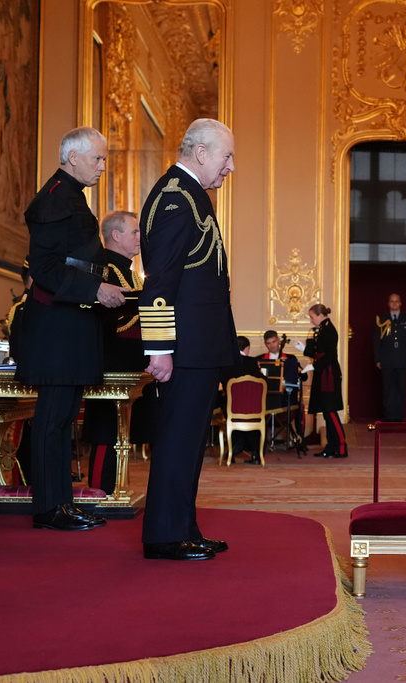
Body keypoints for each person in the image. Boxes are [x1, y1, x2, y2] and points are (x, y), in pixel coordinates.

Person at [15, 127, 127, 532]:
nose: (101, 166)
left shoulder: (68, 195)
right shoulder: (55, 198)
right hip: (56, 327)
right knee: (53, 420)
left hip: (70, 322)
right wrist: (96, 287)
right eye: (97, 158)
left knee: (64, 421)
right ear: (72, 156)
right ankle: (49, 509)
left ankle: (62, 503)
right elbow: (44, 269)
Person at [140, 118, 239, 561]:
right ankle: (164, 535)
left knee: (190, 442)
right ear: (201, 153)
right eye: (226, 156)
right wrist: (158, 348)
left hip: (199, 348)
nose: (230, 167)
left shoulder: (191, 197)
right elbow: (160, 279)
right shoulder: (176, 199)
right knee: (178, 440)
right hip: (183, 349)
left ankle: (183, 526)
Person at [83, 210, 144, 495]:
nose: (139, 237)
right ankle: (98, 493)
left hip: (128, 365)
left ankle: (114, 491)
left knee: (119, 433)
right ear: (116, 236)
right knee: (105, 433)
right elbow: (113, 321)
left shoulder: (131, 274)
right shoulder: (104, 270)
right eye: (134, 232)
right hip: (109, 363)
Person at [301, 304, 347, 458]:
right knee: (327, 413)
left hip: (329, 375)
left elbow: (329, 356)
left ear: (320, 315)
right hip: (324, 374)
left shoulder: (328, 330)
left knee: (330, 411)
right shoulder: (323, 329)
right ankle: (332, 446)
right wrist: (305, 349)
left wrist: (313, 366)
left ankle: (341, 447)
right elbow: (319, 352)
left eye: (312, 317)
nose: (311, 320)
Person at [220, 335, 265, 465]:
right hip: (253, 411)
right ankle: (256, 454)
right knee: (257, 415)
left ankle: (232, 452)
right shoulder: (252, 362)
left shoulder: (226, 363)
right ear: (247, 348)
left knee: (226, 408)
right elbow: (262, 382)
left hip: (232, 410)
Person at [373, 293, 406, 422]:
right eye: (392, 301)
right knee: (388, 389)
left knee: (400, 389)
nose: (395, 304)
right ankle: (389, 416)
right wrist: (377, 359)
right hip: (387, 360)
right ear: (388, 303)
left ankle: (398, 416)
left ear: (400, 303)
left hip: (402, 360)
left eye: (397, 301)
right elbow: (376, 341)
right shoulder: (381, 319)